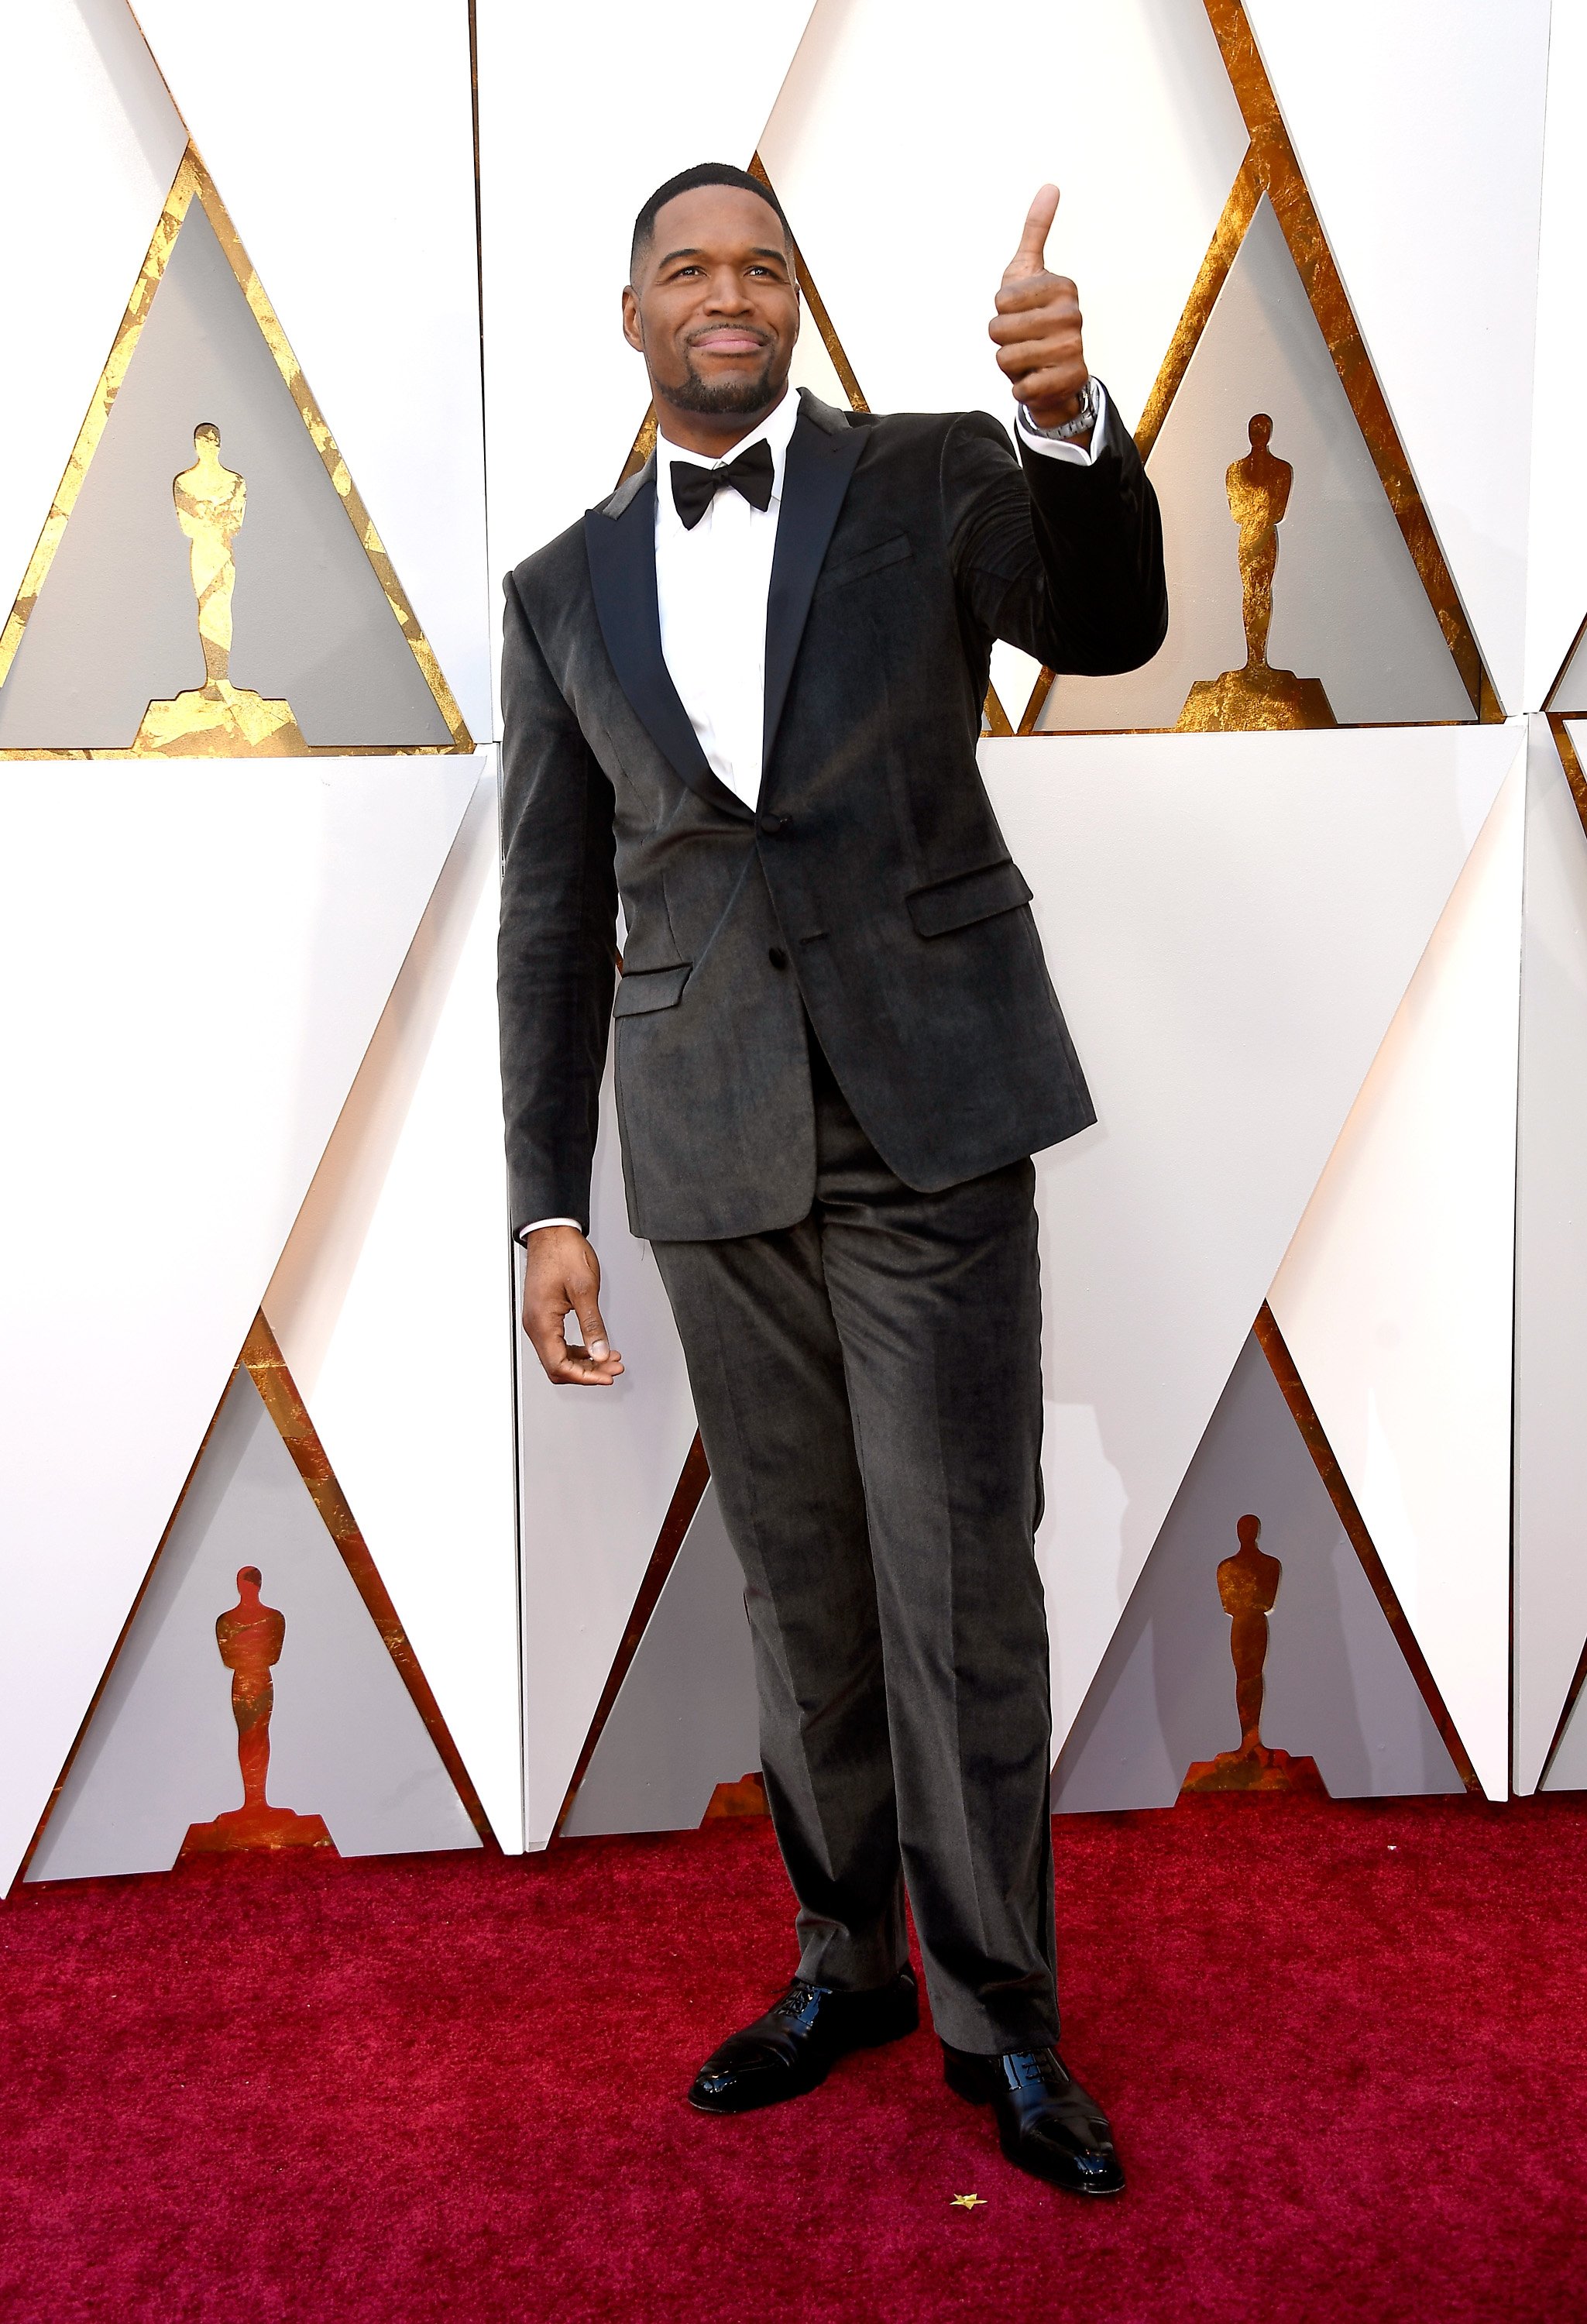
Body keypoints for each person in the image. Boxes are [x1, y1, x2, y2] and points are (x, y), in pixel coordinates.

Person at [498, 161, 1166, 2197]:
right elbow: (548, 914)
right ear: (630, 316)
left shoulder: (930, 475)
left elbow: (1110, 623)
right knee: (799, 1596)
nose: (727, 296)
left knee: (960, 1574)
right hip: (708, 1138)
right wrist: (545, 1202)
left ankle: (1001, 2020)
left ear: (794, 301)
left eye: (759, 267)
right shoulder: (556, 592)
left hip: (927, 1109)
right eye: (687, 271)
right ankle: (842, 1965)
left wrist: (1065, 420)